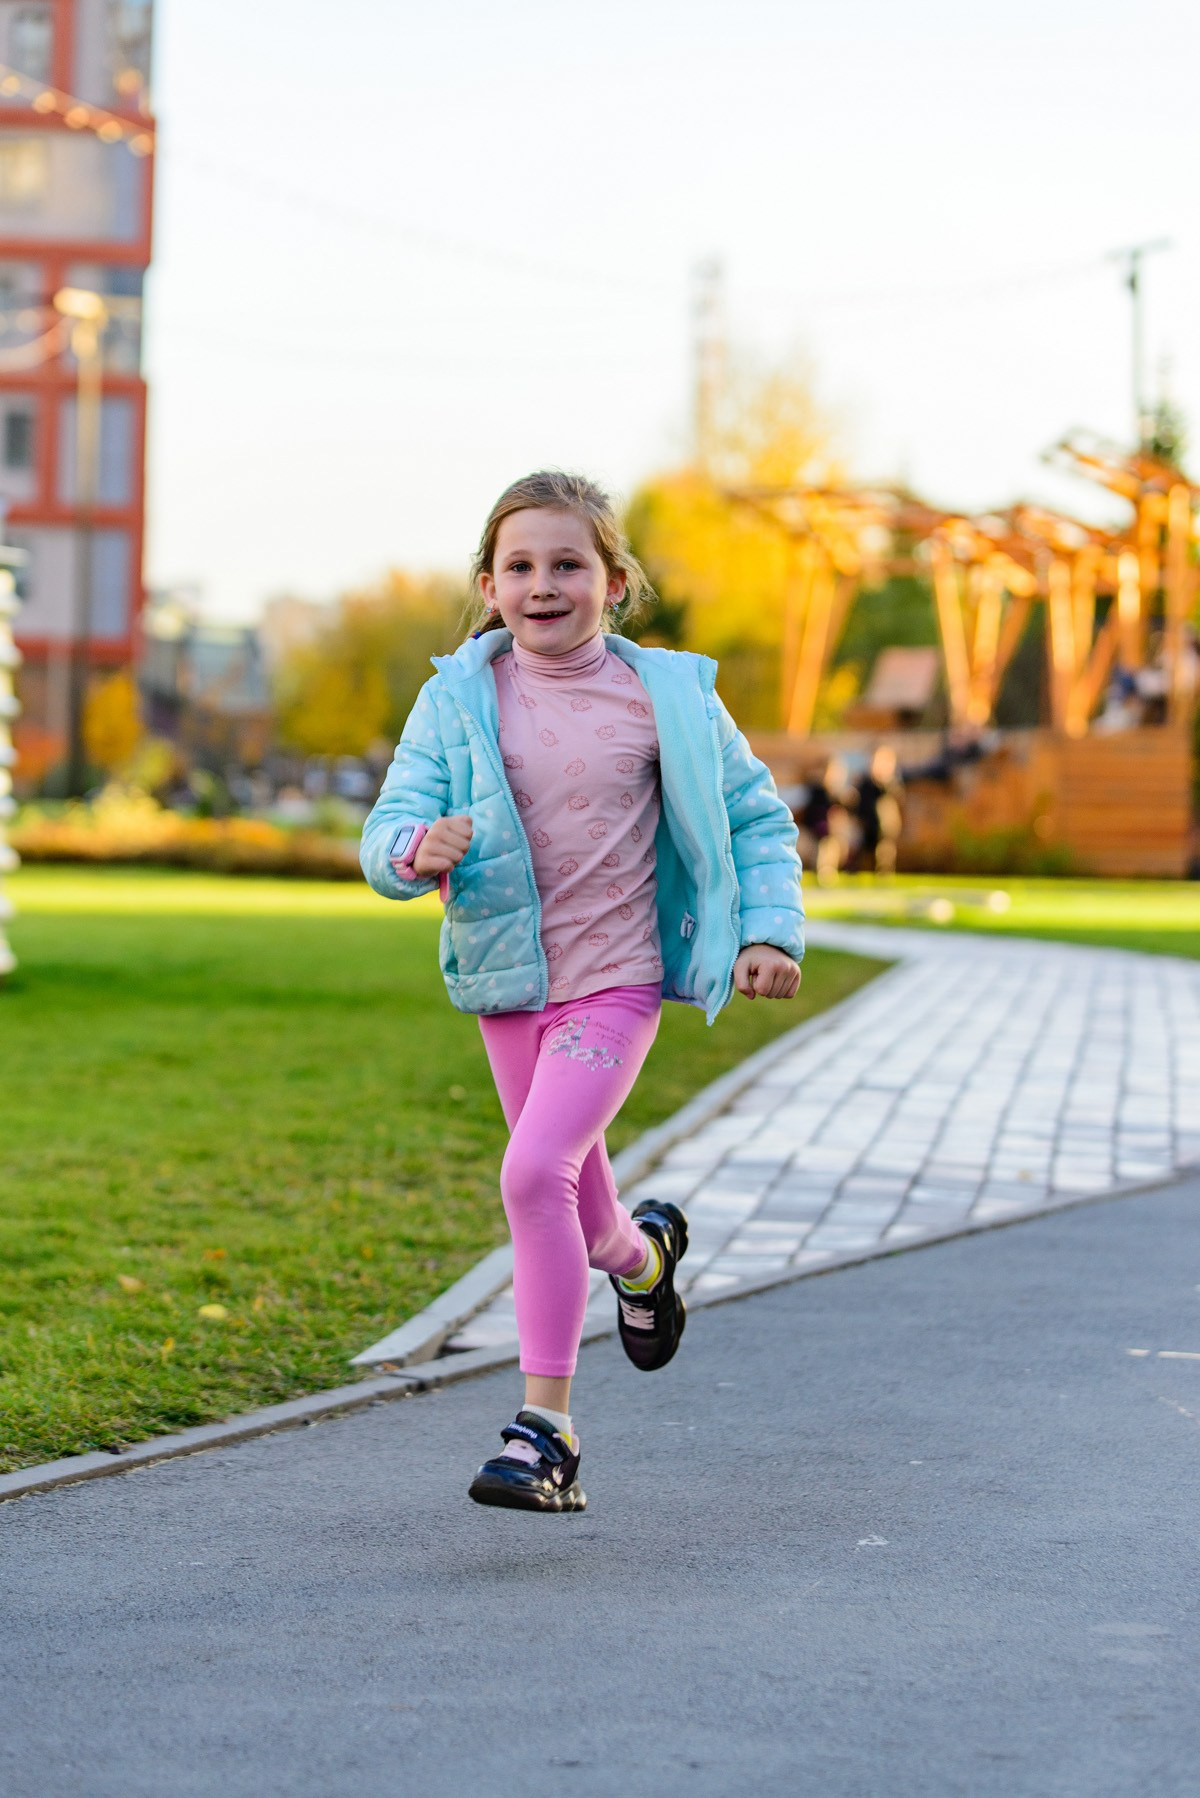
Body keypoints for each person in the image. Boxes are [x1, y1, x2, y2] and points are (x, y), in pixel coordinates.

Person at [360, 472, 804, 1514]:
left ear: (614, 581)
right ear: (488, 584)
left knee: (532, 1174)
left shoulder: (671, 698)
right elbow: (385, 830)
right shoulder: (456, 698)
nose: (543, 584)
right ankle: (639, 1260)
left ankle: (545, 1432)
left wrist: (768, 931)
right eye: (520, 565)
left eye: (568, 564)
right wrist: (417, 849)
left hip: (618, 982)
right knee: (574, 1196)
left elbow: (755, 820)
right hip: (509, 981)